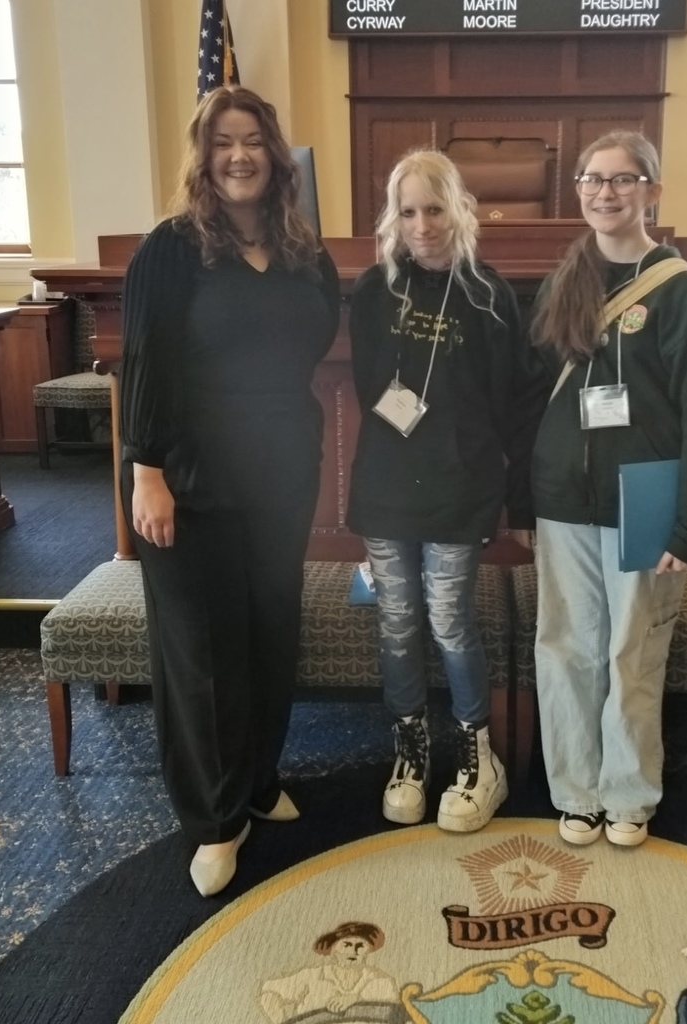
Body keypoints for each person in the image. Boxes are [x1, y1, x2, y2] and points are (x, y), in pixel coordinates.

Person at [119, 86, 340, 896]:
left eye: (252, 141)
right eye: (223, 143)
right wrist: (147, 472)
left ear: (276, 156)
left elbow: (314, 341)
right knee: (202, 651)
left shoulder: (302, 250)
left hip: (281, 474)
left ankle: (254, 781)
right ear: (203, 157)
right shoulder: (171, 249)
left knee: (267, 632)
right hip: (186, 475)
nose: (239, 155)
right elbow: (142, 361)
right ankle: (214, 821)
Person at [528, 130, 687, 848]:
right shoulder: (568, 279)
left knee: (629, 652)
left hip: (640, 508)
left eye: (622, 180)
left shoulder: (679, 291)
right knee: (564, 649)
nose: (604, 192)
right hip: (562, 504)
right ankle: (576, 790)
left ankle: (626, 793)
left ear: (651, 190)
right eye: (592, 179)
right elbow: (534, 395)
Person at [346, 149, 547, 833]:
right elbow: (369, 388)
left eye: (434, 209)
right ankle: (409, 751)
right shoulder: (375, 291)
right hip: (384, 485)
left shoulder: (488, 295)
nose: (421, 225)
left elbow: (515, 410)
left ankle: (473, 755)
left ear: (458, 209)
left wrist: (517, 502)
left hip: (459, 488)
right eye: (407, 211)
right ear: (392, 218)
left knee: (449, 621)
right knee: (396, 623)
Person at [260, 921, 402, 1023]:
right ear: (333, 949)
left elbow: (393, 1014)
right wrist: (281, 1020)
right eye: (346, 945)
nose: (353, 951)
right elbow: (268, 992)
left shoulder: (380, 981)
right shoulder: (313, 976)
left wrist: (357, 999)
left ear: (368, 950)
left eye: (360, 946)